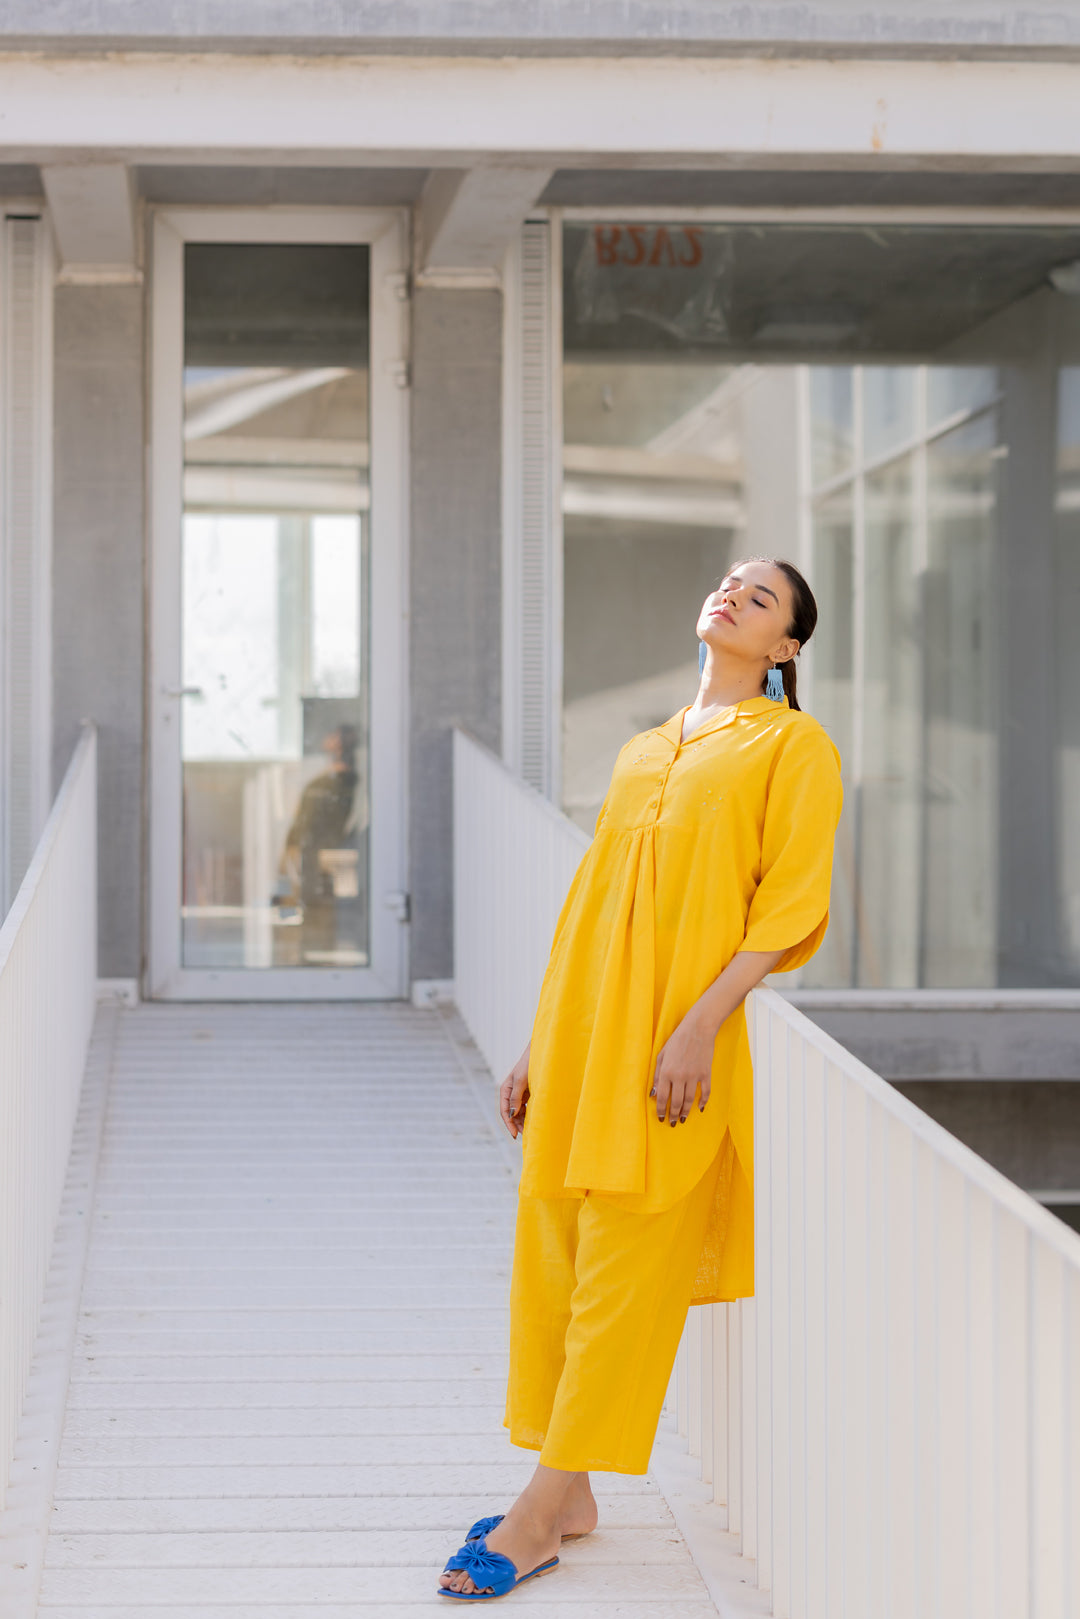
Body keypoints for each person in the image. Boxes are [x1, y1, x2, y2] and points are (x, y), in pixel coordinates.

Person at [438, 557, 843, 1602]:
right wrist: (539, 1040)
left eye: (762, 599)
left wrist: (704, 1022)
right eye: (728, 583)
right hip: (583, 1035)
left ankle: (539, 1509)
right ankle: (570, 1494)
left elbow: (789, 906)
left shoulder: (793, 746)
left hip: (676, 1047)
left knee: (626, 1269)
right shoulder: (646, 744)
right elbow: (591, 903)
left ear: (786, 649)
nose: (733, 596)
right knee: (558, 1250)